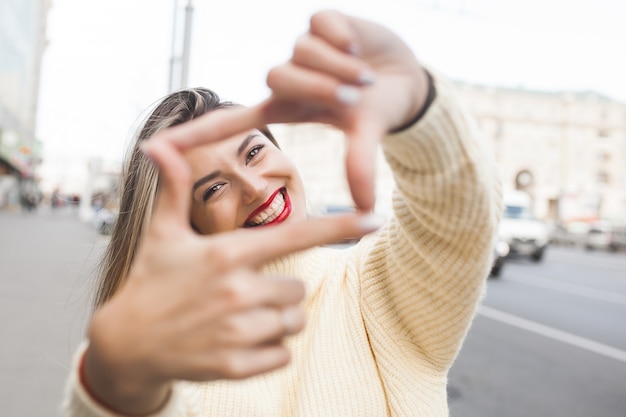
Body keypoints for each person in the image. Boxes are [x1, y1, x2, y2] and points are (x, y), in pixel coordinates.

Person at [63, 9, 501, 417]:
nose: (254, 188)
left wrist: (418, 109)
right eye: (214, 188)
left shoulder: (375, 290)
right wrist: (114, 383)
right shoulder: (169, 348)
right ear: (185, 225)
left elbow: (457, 215)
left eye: (253, 152)